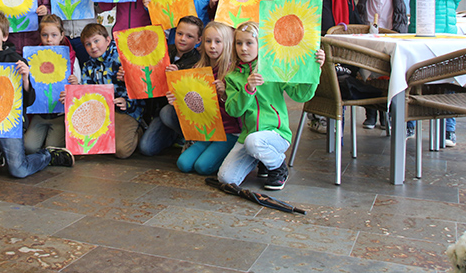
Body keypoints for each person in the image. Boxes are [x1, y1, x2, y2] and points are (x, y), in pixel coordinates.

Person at [0, 10, 75, 176]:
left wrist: (26, 79)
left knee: (19, 170)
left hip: (10, 125)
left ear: (5, 36)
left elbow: (29, 101)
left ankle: (48, 155)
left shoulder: (17, 61)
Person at [217, 22, 325, 190]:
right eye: (239, 43)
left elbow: (301, 95)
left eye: (249, 43)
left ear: (261, 44)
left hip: (277, 135)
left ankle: (278, 166)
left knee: (255, 142)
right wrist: (248, 89)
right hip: (248, 137)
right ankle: (261, 159)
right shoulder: (232, 76)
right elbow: (233, 110)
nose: (243, 48)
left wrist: (314, 69)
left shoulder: (274, 67)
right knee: (226, 178)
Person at [390, 0, 466, 145]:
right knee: (412, 83)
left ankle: (448, 130)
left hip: (445, 45)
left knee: (447, 86)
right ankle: (409, 125)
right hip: (419, 43)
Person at [300, 0, 365, 134]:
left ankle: (337, 121)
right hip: (315, 45)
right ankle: (317, 115)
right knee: (318, 79)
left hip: (340, 44)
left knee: (338, 79)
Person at [170, 22, 241, 174]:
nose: (212, 46)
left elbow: (238, 107)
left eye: (218, 41)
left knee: (202, 167)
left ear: (227, 43)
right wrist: (176, 100)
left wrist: (224, 94)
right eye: (208, 41)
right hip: (208, 130)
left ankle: (233, 154)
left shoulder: (232, 72)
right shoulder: (198, 69)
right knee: (183, 163)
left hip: (229, 131)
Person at [354, 0, 410, 129]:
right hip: (371, 32)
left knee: (388, 74)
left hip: (392, 31)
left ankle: (385, 112)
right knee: (368, 73)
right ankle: (370, 113)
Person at [137, 16, 203, 156]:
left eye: (189, 36)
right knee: (146, 148)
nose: (182, 39)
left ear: (198, 40)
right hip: (159, 110)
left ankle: (189, 136)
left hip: (180, 113)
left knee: (167, 112)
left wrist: (178, 78)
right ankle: (174, 134)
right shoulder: (163, 51)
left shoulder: (198, 62)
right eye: (180, 33)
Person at [75, 23, 143, 158]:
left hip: (126, 109)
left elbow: (141, 85)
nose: (93, 47)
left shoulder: (122, 57)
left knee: (121, 151)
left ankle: (140, 130)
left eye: (96, 41)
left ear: (107, 40)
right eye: (88, 44)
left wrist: (126, 101)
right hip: (101, 112)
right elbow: (87, 93)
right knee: (86, 145)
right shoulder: (87, 66)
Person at [24, 14, 81, 154]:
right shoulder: (32, 56)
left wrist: (75, 84)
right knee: (29, 147)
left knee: (52, 148)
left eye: (54, 35)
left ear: (62, 35)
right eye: (45, 35)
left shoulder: (71, 57)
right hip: (40, 114)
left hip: (60, 114)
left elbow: (80, 87)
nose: (49, 40)